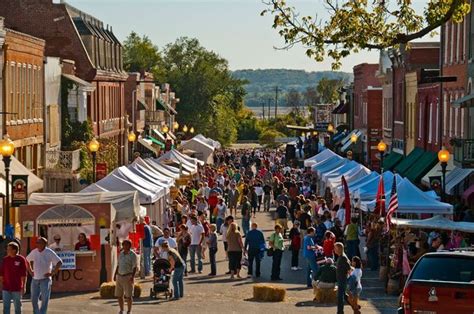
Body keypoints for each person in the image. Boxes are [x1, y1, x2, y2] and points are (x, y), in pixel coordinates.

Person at [26, 237, 63, 314]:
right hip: (35, 279)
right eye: (37, 242)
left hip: (45, 280)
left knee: (45, 299)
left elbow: (59, 262)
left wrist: (53, 272)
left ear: (44, 244)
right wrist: (30, 270)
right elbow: (26, 260)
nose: (37, 244)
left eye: (39, 243)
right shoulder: (34, 252)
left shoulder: (49, 252)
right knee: (33, 299)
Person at [1, 242, 27, 314]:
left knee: (18, 307)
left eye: (9, 249)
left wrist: (24, 287)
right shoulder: (5, 259)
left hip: (17, 288)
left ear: (14, 250)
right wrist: (1, 285)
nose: (7, 250)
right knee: (6, 308)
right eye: (7, 249)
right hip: (6, 288)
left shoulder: (21, 259)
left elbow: (24, 275)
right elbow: (2, 273)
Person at [114, 239, 138, 314]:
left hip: (128, 276)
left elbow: (134, 267)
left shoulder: (133, 255)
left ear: (129, 246)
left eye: (126, 245)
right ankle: (121, 310)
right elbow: (118, 265)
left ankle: (129, 310)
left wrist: (132, 277)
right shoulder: (121, 253)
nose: (124, 246)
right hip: (120, 276)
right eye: (123, 245)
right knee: (119, 295)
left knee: (129, 296)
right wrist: (115, 274)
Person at [335, 242, 351, 314]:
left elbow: (349, 268)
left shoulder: (343, 257)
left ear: (339, 249)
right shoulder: (341, 256)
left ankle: (340, 312)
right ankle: (355, 305)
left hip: (342, 279)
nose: (334, 250)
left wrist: (348, 276)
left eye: (335, 248)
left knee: (340, 297)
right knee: (344, 295)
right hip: (340, 278)